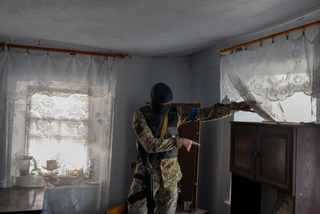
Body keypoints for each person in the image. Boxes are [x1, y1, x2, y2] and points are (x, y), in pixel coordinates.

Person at [127, 82, 254, 214]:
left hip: (170, 176)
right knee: (136, 211)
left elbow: (205, 113)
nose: (169, 105)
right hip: (147, 174)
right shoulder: (140, 115)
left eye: (170, 102)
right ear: (155, 102)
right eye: (165, 104)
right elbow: (150, 145)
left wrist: (234, 107)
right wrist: (179, 141)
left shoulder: (176, 113)